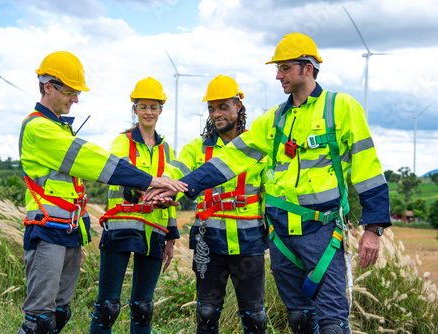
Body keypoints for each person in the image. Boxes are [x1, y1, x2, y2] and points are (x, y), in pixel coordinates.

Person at [145, 33, 391, 334]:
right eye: (278, 69)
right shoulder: (273, 119)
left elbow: (368, 166)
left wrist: (374, 228)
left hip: (323, 233)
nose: (278, 75)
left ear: (307, 68)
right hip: (281, 236)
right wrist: (179, 186)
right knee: (300, 319)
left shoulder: (340, 108)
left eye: (284, 68)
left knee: (331, 323)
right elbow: (229, 160)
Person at [18, 52, 186, 334]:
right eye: (70, 91)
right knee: (40, 322)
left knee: (58, 316)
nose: (76, 99)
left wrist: (79, 237)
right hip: (46, 231)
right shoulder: (39, 128)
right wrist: (149, 181)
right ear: (48, 86)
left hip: (67, 232)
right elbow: (94, 160)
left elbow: (73, 190)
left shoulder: (60, 128)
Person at [164, 75, 268, 334]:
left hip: (250, 243)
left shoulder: (259, 148)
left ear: (238, 107)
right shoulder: (195, 150)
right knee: (207, 314)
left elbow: (274, 193)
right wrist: (159, 186)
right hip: (208, 244)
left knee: (255, 318)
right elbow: (173, 173)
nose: (216, 114)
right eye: (211, 109)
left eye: (223, 107)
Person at [89, 77, 179, 334]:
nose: (148, 112)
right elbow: (121, 174)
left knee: (143, 308)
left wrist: (171, 236)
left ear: (161, 109)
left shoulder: (168, 151)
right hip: (121, 228)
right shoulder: (122, 143)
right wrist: (149, 189)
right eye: (143, 106)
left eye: (153, 107)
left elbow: (171, 193)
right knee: (107, 307)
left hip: (155, 231)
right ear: (135, 109)